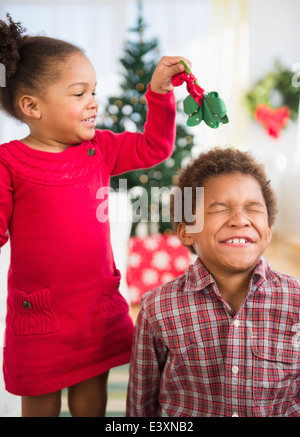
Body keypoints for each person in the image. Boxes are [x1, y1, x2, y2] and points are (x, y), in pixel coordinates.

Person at [0, 13, 190, 417]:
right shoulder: (9, 163)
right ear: (31, 106)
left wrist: (158, 93)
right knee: (40, 405)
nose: (94, 103)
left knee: (92, 402)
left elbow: (154, 146)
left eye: (94, 92)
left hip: (94, 312)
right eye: (79, 94)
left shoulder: (99, 148)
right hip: (41, 320)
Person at [126, 147, 300, 417]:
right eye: (219, 210)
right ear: (185, 232)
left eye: (253, 209)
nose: (240, 220)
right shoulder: (156, 309)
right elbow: (141, 405)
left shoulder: (296, 301)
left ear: (267, 231)